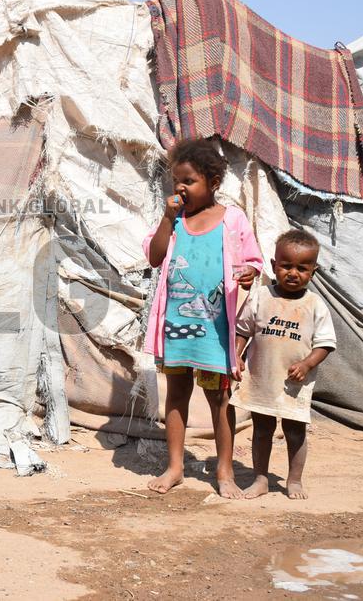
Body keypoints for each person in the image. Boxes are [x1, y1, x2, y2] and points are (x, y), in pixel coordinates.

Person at [143, 138, 263, 498]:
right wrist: (167, 217)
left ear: (213, 181)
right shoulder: (175, 221)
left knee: (219, 399)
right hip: (177, 326)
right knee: (177, 394)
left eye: (189, 181)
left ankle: (225, 471)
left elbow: (253, 260)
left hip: (215, 329)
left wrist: (249, 274)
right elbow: (154, 256)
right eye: (176, 181)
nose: (180, 187)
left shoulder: (232, 220)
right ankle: (175, 467)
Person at [231, 229, 336, 500]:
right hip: (262, 378)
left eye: (302, 268)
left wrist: (307, 363)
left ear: (313, 270)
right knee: (262, 429)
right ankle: (261, 479)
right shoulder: (260, 296)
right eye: (286, 266)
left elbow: (325, 343)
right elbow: (243, 330)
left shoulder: (315, 305)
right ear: (274, 266)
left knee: (294, 431)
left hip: (294, 384)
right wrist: (237, 356)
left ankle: (294, 480)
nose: (293, 273)